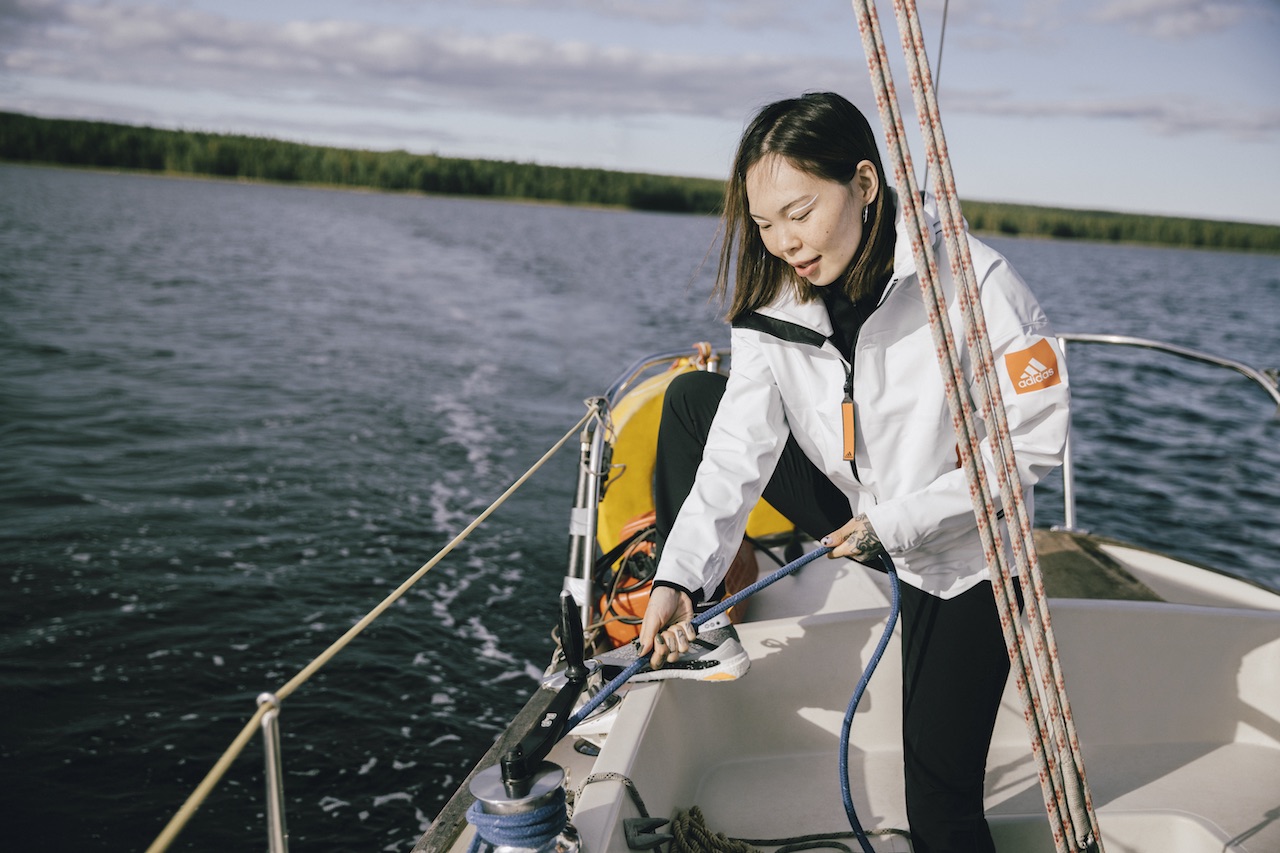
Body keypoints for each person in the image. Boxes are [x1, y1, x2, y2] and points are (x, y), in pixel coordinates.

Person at [635, 92, 1070, 853]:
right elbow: (737, 451)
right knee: (694, 401)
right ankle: (713, 624)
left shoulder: (973, 284)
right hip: (855, 508)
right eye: (764, 224)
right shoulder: (775, 304)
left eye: (798, 213)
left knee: (939, 808)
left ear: (864, 184)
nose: (783, 243)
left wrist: (895, 525)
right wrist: (680, 582)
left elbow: (1029, 448)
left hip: (964, 557)